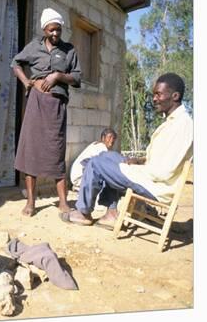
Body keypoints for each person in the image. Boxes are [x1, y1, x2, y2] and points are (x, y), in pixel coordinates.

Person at [60, 73, 193, 228]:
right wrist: (137, 161)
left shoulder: (182, 125)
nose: (154, 99)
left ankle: (83, 212)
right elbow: (162, 159)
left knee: (97, 163)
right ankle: (111, 214)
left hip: (156, 187)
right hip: (150, 179)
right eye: (154, 95)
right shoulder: (172, 122)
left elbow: (163, 172)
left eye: (159, 94)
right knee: (108, 156)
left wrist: (133, 169)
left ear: (175, 96)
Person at [11, 7, 81, 216]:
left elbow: (77, 78)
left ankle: (62, 202)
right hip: (36, 103)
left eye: (58, 30)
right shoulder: (33, 47)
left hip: (56, 105)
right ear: (44, 29)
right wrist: (26, 82)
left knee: (56, 151)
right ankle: (31, 203)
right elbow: (15, 63)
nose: (55, 34)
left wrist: (58, 76)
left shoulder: (69, 50)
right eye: (51, 30)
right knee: (30, 150)